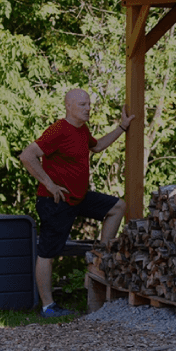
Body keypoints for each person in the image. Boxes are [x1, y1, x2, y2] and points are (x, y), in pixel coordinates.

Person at [18, 89, 134, 316]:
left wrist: (122, 127)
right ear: (68, 106)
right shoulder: (58, 130)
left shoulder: (82, 131)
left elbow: (97, 146)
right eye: (82, 104)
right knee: (48, 253)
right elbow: (27, 155)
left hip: (78, 197)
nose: (88, 108)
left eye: (89, 104)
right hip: (56, 200)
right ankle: (48, 306)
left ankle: (100, 260)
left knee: (117, 207)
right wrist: (49, 184)